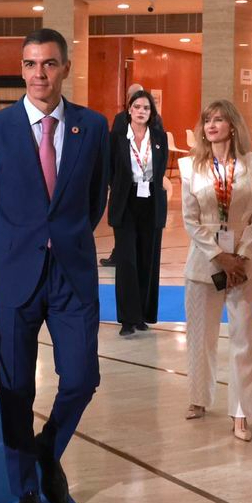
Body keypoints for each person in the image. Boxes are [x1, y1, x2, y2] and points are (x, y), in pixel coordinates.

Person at [0, 28, 108, 503]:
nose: (39, 74)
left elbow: (94, 199)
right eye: (29, 64)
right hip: (13, 275)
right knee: (18, 388)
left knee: (82, 378)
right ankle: (26, 490)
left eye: (48, 63)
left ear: (65, 67)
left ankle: (48, 449)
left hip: (71, 273)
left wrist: (62, 238)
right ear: (20, 69)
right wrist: (10, 246)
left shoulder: (92, 127)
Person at [179, 100, 252, 442]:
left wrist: (240, 256)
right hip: (204, 263)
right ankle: (199, 398)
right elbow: (190, 219)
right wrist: (220, 256)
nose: (212, 125)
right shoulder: (191, 168)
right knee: (201, 336)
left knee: (244, 338)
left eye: (219, 119)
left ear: (232, 126)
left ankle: (241, 413)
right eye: (207, 121)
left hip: (244, 265)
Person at [110, 89, 169, 336]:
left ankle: (143, 315)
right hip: (126, 202)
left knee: (147, 259)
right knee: (127, 261)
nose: (142, 111)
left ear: (151, 113)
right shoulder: (116, 138)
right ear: (129, 110)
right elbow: (110, 168)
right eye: (137, 107)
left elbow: (161, 167)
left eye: (146, 108)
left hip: (151, 202)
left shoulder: (159, 137)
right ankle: (127, 318)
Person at [100, 83, 142, 268]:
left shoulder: (153, 119)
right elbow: (113, 148)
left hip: (142, 181)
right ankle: (119, 254)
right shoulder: (120, 119)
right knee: (120, 220)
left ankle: (133, 255)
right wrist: (111, 178)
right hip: (122, 180)